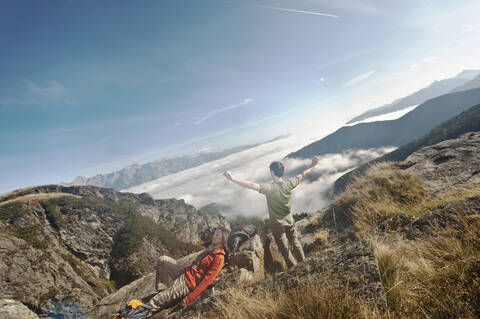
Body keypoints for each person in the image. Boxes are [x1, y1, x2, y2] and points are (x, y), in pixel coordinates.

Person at [223, 156, 318, 268]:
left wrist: (233, 179)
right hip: (289, 219)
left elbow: (252, 185)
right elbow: (303, 175)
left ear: (272, 172)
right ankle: (305, 263)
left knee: (284, 249)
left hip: (278, 224)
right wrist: (312, 165)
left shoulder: (270, 188)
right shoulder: (289, 184)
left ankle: (295, 269)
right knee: (294, 241)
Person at [147, 227, 230, 313]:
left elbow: (207, 281)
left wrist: (188, 299)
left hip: (188, 283)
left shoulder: (219, 257)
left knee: (155, 301)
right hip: (185, 272)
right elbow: (195, 264)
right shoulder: (211, 249)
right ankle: (162, 289)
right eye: (215, 233)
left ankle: (140, 313)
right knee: (163, 260)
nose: (214, 236)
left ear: (223, 239)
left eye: (217, 235)